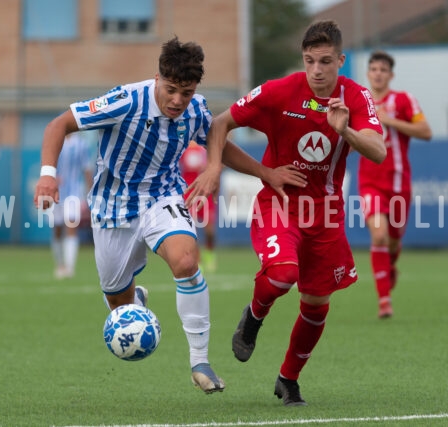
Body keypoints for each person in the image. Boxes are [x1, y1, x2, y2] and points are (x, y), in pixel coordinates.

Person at [32, 36, 304, 394]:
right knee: (117, 303)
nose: (178, 101)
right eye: (172, 90)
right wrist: (48, 176)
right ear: (158, 78)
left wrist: (263, 172)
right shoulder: (125, 100)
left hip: (163, 197)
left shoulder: (196, 109)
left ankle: (200, 362)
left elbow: (218, 142)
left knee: (187, 261)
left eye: (186, 92)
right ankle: (134, 299)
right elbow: (58, 125)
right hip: (112, 207)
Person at [187, 20, 386, 406]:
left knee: (316, 303)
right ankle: (254, 317)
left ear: (341, 61)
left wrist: (345, 131)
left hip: (326, 214)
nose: (316, 70)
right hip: (278, 204)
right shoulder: (280, 91)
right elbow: (220, 123)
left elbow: (377, 150)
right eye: (310, 61)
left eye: (326, 61)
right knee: (283, 274)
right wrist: (218, 168)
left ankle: (287, 380)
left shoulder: (357, 98)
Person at [359, 50, 432, 319]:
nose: (377, 74)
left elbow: (426, 132)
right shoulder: (359, 102)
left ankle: (389, 264)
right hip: (369, 181)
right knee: (378, 235)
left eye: (382, 70)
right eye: (373, 69)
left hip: (400, 183)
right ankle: (384, 301)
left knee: (392, 240)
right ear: (368, 73)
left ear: (390, 75)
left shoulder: (404, 100)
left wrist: (389, 121)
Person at [51, 131, 94, 279]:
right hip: (55, 192)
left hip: (73, 193)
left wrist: (91, 192)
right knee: (57, 229)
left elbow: (86, 169)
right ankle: (60, 264)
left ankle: (69, 268)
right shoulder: (56, 141)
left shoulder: (81, 144)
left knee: (71, 227)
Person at [179, 141, 217, 272]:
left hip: (205, 192)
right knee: (192, 229)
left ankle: (209, 254)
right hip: (189, 192)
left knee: (209, 231)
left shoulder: (205, 146)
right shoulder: (183, 147)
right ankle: (198, 260)